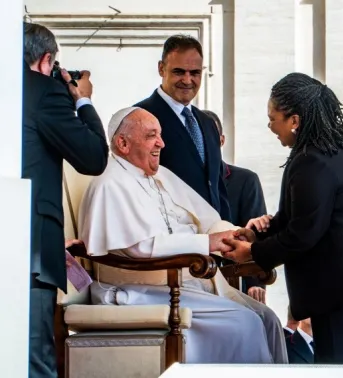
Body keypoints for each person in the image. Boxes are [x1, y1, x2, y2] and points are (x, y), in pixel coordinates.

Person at [224, 72, 343, 365]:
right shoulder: (340, 144)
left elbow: (304, 233)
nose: (270, 126)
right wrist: (260, 232)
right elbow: (307, 213)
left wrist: (252, 253)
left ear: (295, 121)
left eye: (273, 118)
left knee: (339, 366)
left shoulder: (311, 160)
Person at [78, 107, 288, 364]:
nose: (161, 143)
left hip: (181, 281)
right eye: (151, 135)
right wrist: (206, 243)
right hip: (140, 288)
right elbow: (140, 248)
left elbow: (207, 219)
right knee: (245, 323)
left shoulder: (160, 175)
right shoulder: (109, 183)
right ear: (122, 143)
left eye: (161, 135)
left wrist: (233, 235)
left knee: (268, 319)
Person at [22, 22, 109, 378]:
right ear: (46, 61)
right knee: (34, 358)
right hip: (30, 250)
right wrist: (82, 98)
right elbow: (93, 157)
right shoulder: (44, 91)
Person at [134, 35, 232, 222]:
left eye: (194, 73)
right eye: (179, 72)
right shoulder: (139, 118)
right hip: (170, 241)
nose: (187, 80)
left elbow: (217, 187)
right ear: (161, 69)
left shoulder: (208, 123)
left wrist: (227, 230)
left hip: (214, 241)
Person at [204, 110, 268, 303]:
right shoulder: (178, 182)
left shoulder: (246, 180)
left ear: (222, 140)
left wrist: (255, 282)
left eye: (211, 137)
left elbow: (256, 234)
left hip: (235, 278)